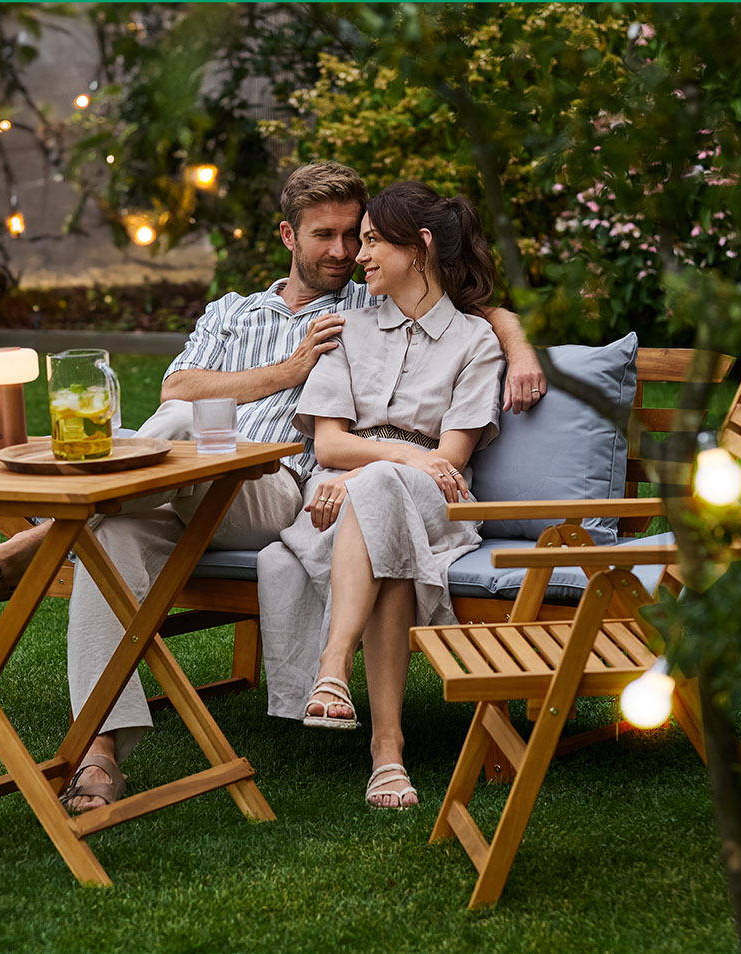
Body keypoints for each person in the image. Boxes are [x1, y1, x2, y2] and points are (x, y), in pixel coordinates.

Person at [0, 162, 544, 811]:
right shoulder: (232, 312)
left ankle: (40, 540)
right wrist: (287, 370)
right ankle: (99, 750)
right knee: (122, 521)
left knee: (169, 436)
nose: (344, 252)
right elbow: (177, 387)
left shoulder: (363, 302)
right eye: (325, 235)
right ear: (287, 236)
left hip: (268, 485)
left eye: (354, 235)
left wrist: (520, 349)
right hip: (181, 482)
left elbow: (467, 308)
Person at [258, 181, 506, 809]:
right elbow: (329, 444)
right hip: (353, 495)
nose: (358, 255)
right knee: (387, 541)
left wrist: (374, 471)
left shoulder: (475, 341)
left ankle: (334, 664)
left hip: (433, 500)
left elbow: (450, 460)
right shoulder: (347, 330)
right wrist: (396, 457)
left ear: (419, 247)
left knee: (383, 495)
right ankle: (387, 753)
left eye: (371, 241)